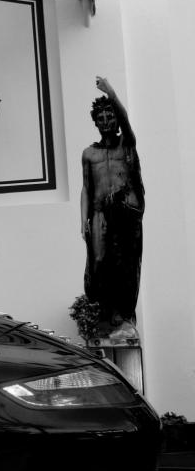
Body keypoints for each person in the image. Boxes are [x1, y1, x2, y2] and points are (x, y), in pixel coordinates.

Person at [80, 76, 144, 339]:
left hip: (125, 211)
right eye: (101, 117)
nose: (106, 121)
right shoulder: (89, 154)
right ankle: (104, 316)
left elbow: (127, 121)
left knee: (125, 263)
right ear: (95, 122)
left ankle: (123, 318)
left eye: (110, 116)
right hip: (98, 213)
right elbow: (86, 188)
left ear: (116, 120)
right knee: (98, 263)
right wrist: (82, 221)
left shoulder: (125, 144)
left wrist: (111, 93)